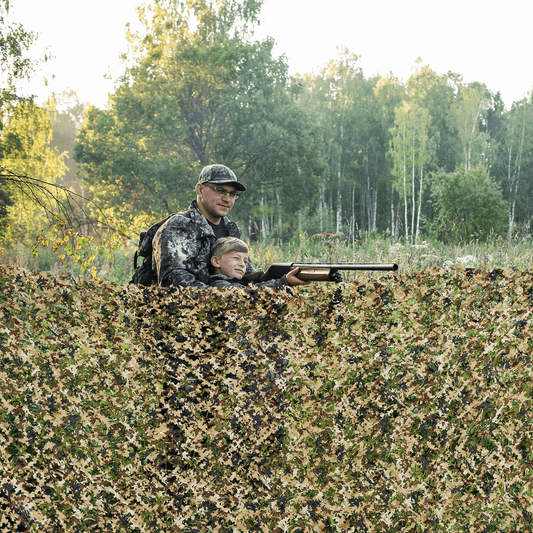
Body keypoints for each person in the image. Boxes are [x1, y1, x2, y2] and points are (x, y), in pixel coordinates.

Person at [149, 164, 308, 289]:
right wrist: (274, 287)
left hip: (222, 312)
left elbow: (246, 279)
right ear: (200, 190)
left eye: (232, 194)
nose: (227, 199)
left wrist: (282, 280)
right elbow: (176, 285)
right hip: (180, 319)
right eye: (220, 190)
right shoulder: (179, 226)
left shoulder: (231, 230)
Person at [208, 237, 306, 288]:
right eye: (236, 258)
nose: (242, 264)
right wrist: (284, 282)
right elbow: (248, 294)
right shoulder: (219, 284)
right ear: (216, 262)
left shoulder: (238, 283)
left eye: (245, 261)